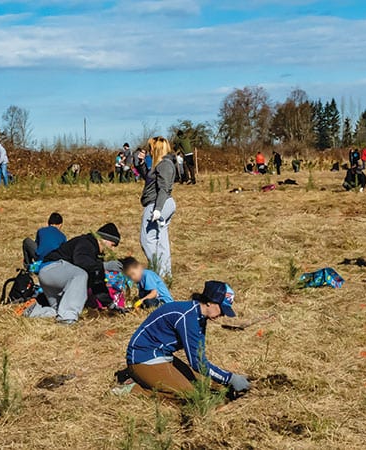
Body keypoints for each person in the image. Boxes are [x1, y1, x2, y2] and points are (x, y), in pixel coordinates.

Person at [122, 281, 250, 397]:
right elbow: (198, 363)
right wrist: (230, 378)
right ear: (209, 302)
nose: (222, 314)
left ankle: (148, 380)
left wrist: (228, 378)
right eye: (222, 309)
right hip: (143, 358)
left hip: (162, 356)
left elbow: (200, 355)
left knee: (202, 384)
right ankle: (135, 389)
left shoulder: (199, 317)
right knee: (190, 395)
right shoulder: (188, 317)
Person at [24, 223, 122, 325]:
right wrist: (104, 266)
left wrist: (111, 305)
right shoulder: (86, 243)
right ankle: (67, 319)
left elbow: (97, 283)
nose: (112, 249)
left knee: (60, 310)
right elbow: (82, 262)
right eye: (113, 245)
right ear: (104, 239)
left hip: (51, 276)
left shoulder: (94, 258)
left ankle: (34, 312)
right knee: (81, 275)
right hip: (53, 269)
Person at [141, 137, 177, 278]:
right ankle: (165, 273)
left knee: (147, 239)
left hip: (158, 203)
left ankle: (158, 270)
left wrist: (157, 209)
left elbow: (164, 188)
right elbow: (149, 179)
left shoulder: (164, 165)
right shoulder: (160, 165)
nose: (149, 151)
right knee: (161, 238)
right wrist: (140, 164)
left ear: (155, 149)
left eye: (150, 148)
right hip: (161, 203)